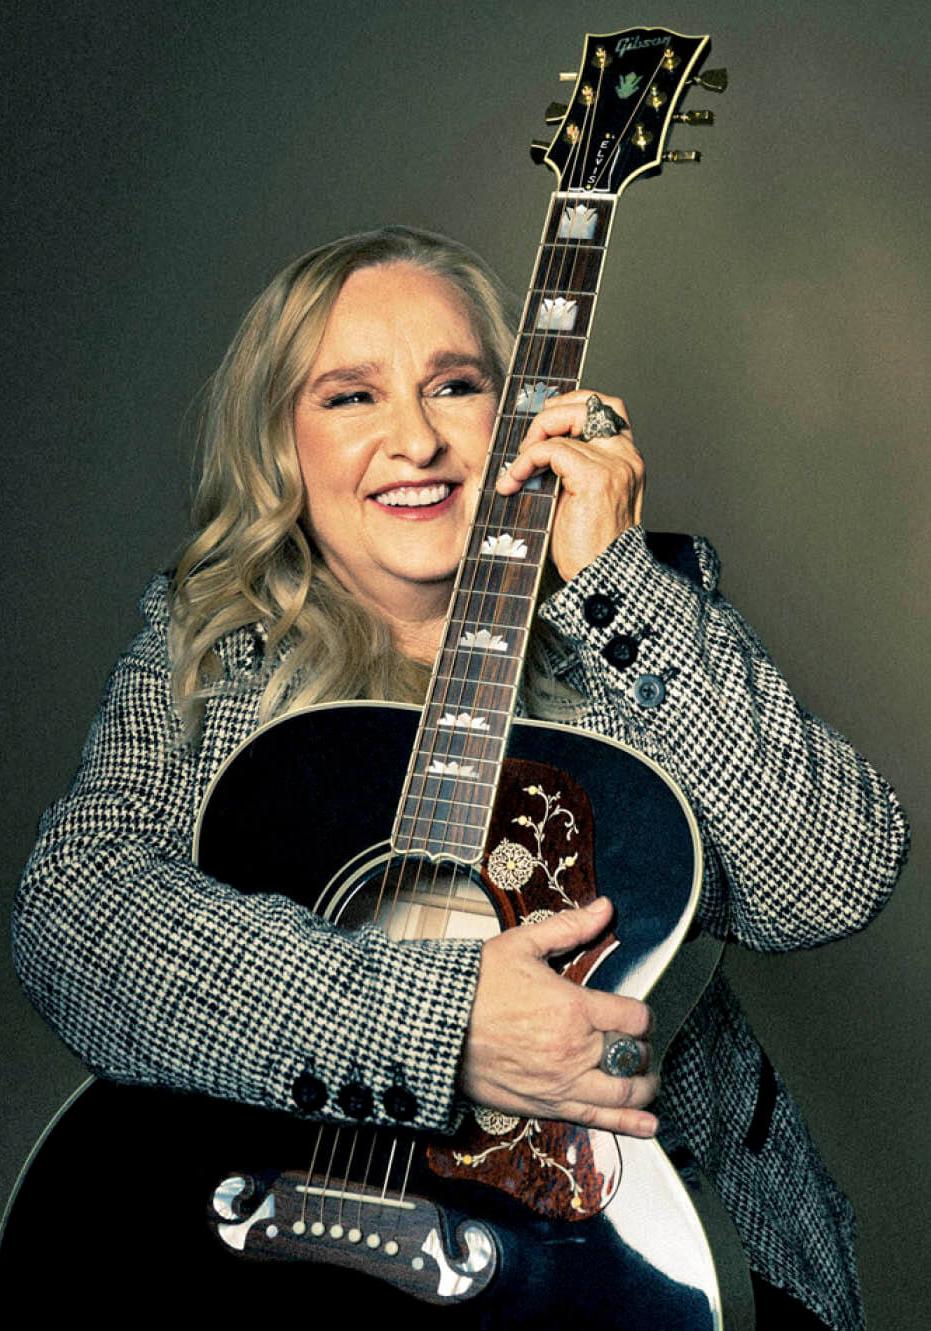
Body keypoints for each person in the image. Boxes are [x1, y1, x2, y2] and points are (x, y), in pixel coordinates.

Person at [11, 225, 908, 1329]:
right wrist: (446, 1021)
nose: (416, 441)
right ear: (282, 443)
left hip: (618, 1256)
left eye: (455, 385)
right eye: (349, 397)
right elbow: (75, 910)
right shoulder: (217, 642)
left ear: (520, 412)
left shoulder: (630, 618)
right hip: (262, 1232)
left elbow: (826, 877)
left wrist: (612, 576)